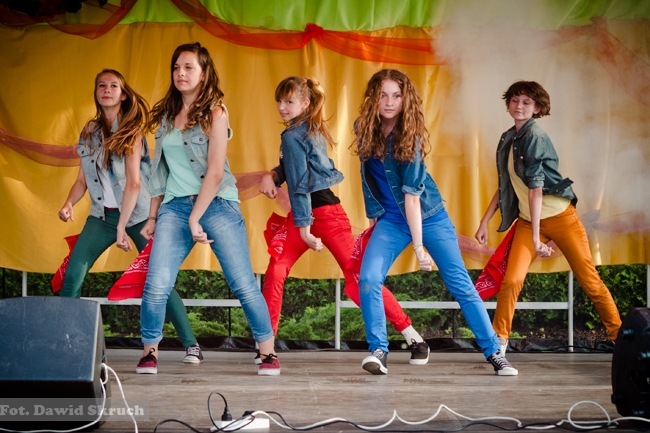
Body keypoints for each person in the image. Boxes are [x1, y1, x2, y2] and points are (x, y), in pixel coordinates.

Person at [352, 69, 517, 376]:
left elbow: (412, 198)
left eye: (396, 96)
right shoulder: (364, 129)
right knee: (369, 279)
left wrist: (419, 247)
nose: (389, 102)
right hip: (392, 220)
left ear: (406, 100)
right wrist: (374, 215)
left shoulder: (409, 137)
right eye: (383, 95)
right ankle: (378, 350)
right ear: (372, 97)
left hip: (428, 217)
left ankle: (495, 352)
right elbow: (368, 178)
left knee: (460, 284)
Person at [259, 76, 429, 365]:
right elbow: (294, 170)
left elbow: (300, 185)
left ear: (305, 103)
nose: (282, 107)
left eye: (289, 101)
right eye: (279, 101)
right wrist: (273, 175)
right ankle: (266, 346)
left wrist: (305, 228)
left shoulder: (297, 133)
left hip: (320, 215)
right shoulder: (304, 128)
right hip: (309, 214)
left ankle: (412, 335)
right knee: (277, 271)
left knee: (359, 278)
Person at [135, 42, 279, 376]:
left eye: (189, 67)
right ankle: (149, 351)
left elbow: (215, 172)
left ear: (204, 73)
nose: (181, 73)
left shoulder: (216, 113)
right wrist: (153, 216)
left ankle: (267, 351)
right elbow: (159, 172)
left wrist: (195, 217)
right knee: (156, 283)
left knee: (242, 283)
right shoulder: (166, 118)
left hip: (217, 203)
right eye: (176, 67)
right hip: (174, 206)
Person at [57, 69, 201, 365]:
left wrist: (122, 226)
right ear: (96, 93)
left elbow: (134, 184)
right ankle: (65, 344)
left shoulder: (132, 132)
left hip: (138, 217)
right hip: (101, 217)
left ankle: (191, 345)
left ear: (123, 95)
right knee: (72, 276)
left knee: (159, 278)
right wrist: (69, 203)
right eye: (101, 85)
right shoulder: (89, 132)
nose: (106, 89)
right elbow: (82, 180)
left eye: (113, 86)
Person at [474, 80, 621, 354]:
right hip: (529, 221)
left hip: (560, 217)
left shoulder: (535, 137)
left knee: (590, 281)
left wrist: (535, 238)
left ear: (537, 108)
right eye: (515, 100)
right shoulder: (508, 138)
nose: (519, 106)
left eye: (526, 102)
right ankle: (499, 342)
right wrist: (485, 221)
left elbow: (536, 190)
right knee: (511, 280)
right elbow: (506, 184)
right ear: (508, 104)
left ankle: (620, 338)